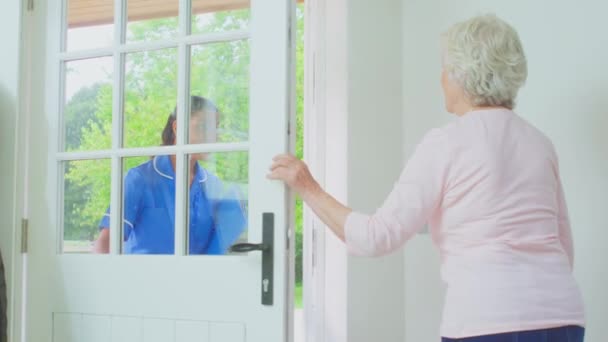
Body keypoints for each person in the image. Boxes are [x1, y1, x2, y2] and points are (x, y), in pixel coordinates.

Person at [268, 14, 585, 342]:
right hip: (562, 315)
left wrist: (307, 186)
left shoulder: (446, 143)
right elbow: (563, 246)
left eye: (446, 68)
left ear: (463, 75)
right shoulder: (540, 143)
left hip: (487, 321)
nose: (442, 78)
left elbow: (376, 236)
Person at [94, 96, 247, 255]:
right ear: (177, 127)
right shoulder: (139, 179)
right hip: (143, 278)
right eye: (203, 127)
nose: (213, 136)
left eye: (215, 128)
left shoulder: (213, 185)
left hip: (196, 278)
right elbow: (105, 243)